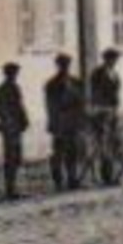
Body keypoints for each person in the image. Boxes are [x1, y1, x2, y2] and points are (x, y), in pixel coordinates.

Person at [44, 53, 84, 192]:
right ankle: (58, 181)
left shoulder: (76, 82)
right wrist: (53, 123)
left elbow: (81, 102)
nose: (64, 68)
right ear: (58, 66)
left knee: (72, 152)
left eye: (66, 65)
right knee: (58, 153)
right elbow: (50, 106)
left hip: (72, 122)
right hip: (59, 123)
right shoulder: (51, 84)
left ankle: (72, 179)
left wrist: (80, 119)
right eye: (62, 65)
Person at [0, 62, 29, 198]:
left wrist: (23, 120)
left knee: (15, 157)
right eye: (13, 73)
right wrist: (8, 119)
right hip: (10, 127)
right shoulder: (5, 89)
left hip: (15, 126)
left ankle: (14, 188)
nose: (14, 76)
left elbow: (19, 106)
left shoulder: (10, 88)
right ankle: (11, 189)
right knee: (11, 158)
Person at [88, 49, 123, 186]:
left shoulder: (114, 74)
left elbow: (116, 92)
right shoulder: (97, 73)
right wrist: (99, 109)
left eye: (115, 59)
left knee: (113, 144)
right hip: (101, 112)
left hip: (112, 111)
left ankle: (111, 175)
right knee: (104, 146)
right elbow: (94, 93)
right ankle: (106, 177)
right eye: (112, 59)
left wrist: (115, 109)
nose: (114, 62)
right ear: (106, 59)